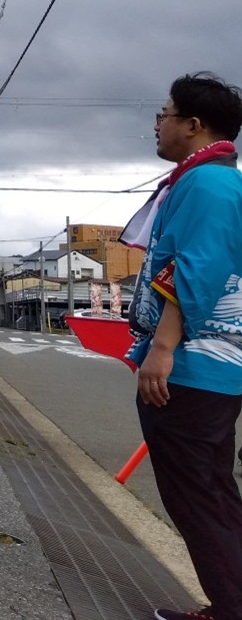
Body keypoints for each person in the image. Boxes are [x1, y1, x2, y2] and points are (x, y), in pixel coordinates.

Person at [122, 73, 242, 620]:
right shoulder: (205, 180)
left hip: (197, 366)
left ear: (193, 126)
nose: (157, 122)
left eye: (165, 113)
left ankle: (229, 607)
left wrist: (163, 347)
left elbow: (199, 267)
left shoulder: (210, 185)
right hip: (207, 366)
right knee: (207, 491)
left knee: (199, 495)